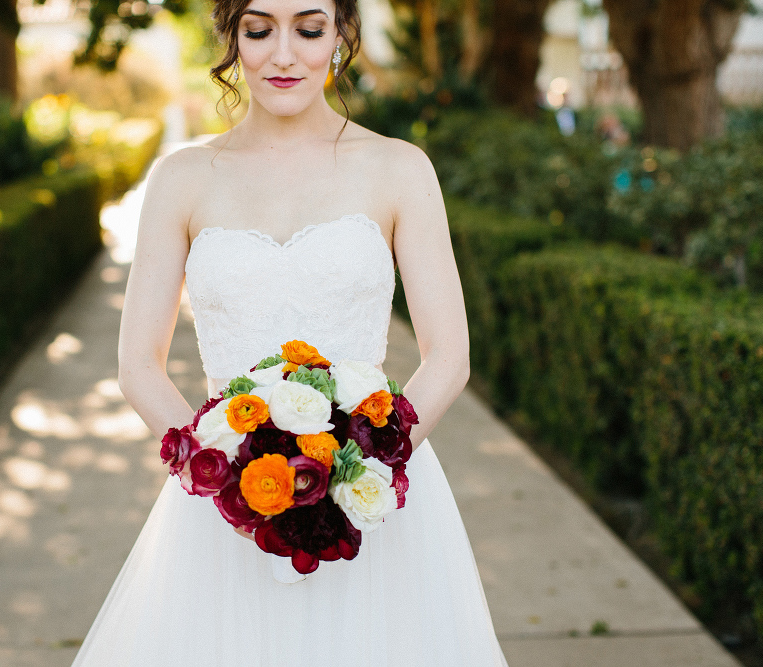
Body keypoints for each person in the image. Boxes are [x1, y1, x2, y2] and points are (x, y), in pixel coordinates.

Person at [71, 0, 509, 663]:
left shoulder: (399, 168)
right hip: (223, 515)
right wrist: (225, 476)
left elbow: (448, 355)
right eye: (259, 29)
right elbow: (138, 364)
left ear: (340, 35)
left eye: (308, 28)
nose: (283, 54)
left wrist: (362, 469)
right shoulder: (183, 179)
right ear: (231, 37)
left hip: (374, 502)